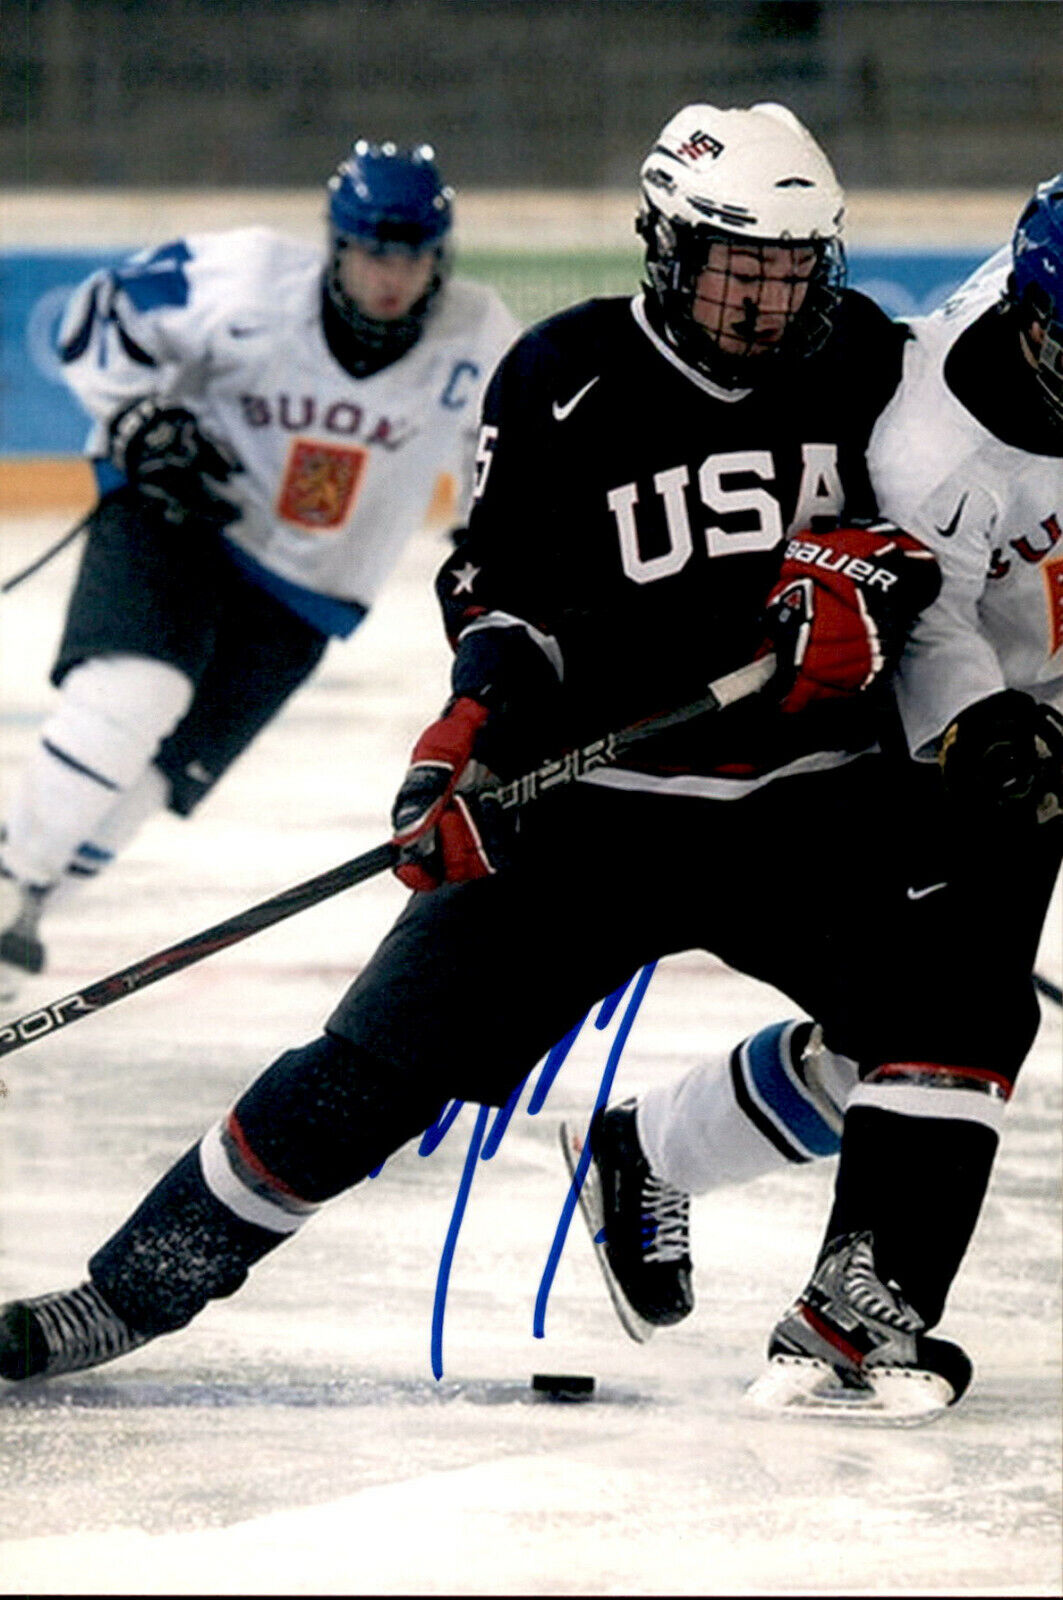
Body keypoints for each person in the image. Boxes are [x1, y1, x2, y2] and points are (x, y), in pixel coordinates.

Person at [0, 102, 946, 1414]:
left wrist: (883, 579)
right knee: (360, 1080)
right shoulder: (562, 373)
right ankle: (127, 1290)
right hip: (586, 810)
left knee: (946, 1030)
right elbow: (500, 589)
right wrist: (464, 738)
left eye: (788, 266)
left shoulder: (877, 368)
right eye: (734, 262)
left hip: (802, 813)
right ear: (663, 246)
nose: (760, 295)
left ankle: (662, 1163)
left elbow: (949, 546)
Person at [562, 174, 1063, 1415]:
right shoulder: (938, 438)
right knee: (958, 1014)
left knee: (892, 1044)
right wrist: (981, 735)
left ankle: (648, 1145)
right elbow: (932, 618)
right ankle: (855, 1312)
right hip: (973, 723)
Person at [0, 139, 520, 1004]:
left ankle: (24, 914)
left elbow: (514, 459)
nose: (390, 277)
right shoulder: (244, 280)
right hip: (181, 517)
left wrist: (498, 546)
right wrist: (137, 421)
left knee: (154, 784)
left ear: (440, 256)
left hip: (306, 594)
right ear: (336, 245)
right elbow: (102, 311)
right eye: (370, 253)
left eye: (412, 256)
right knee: (131, 698)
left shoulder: (478, 338)